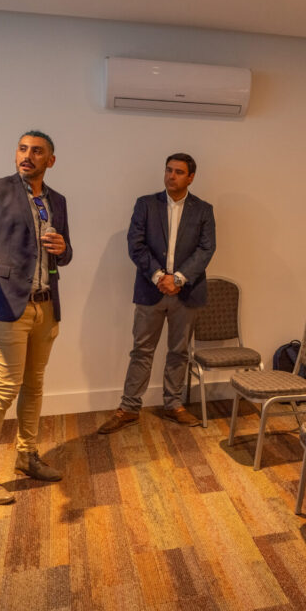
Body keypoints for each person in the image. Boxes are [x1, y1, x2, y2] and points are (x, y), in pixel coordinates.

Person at [0, 130, 73, 505]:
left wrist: (63, 248)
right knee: (6, 387)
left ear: (50, 160)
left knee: (34, 385)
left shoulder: (57, 200)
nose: (27, 155)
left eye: (37, 151)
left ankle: (27, 455)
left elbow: (65, 253)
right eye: (23, 149)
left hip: (46, 304)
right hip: (7, 305)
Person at [99, 153, 216, 434]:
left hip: (186, 293)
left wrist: (178, 279)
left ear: (191, 177)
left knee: (179, 352)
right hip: (150, 290)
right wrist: (159, 277)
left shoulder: (203, 210)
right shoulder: (146, 204)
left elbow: (206, 249)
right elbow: (135, 244)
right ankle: (129, 408)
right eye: (168, 170)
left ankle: (173, 405)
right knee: (141, 350)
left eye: (178, 172)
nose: (171, 176)